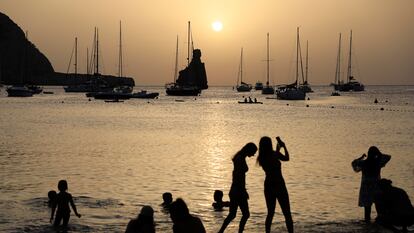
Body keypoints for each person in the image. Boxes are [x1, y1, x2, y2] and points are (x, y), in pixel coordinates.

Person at [218, 142, 258, 233]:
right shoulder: (240, 159)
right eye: (253, 152)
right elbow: (238, 177)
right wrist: (243, 191)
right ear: (249, 150)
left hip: (235, 189)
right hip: (238, 190)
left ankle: (221, 232)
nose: (253, 155)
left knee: (232, 214)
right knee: (245, 214)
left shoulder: (240, 157)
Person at [257, 136, 293, 233]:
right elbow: (277, 161)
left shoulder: (264, 156)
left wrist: (283, 147)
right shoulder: (268, 156)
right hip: (278, 184)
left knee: (272, 213)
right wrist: (281, 147)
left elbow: (286, 158)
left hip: (270, 185)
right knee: (285, 212)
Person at [352, 146, 391, 222]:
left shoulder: (363, 163)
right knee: (379, 208)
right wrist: (379, 154)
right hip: (376, 188)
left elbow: (354, 163)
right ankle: (378, 224)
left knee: (367, 210)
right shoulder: (378, 162)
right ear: (376, 154)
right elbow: (388, 157)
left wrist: (361, 157)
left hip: (366, 188)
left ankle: (367, 225)